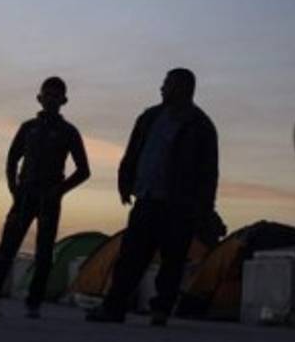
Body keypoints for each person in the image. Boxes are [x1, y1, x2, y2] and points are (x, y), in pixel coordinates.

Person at [85, 68, 218, 326]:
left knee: (173, 259)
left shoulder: (201, 126)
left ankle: (161, 310)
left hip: (179, 205)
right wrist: (125, 181)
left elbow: (209, 171)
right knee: (130, 256)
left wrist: (204, 209)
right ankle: (114, 307)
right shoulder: (150, 117)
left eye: (167, 84)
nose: (162, 88)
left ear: (184, 88)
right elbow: (133, 150)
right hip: (146, 198)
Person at [0, 77, 91, 318]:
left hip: (49, 200)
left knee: (44, 254)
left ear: (64, 100)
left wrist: (59, 190)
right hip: (24, 196)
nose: (51, 99)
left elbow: (84, 171)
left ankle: (33, 304)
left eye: (56, 96)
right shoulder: (28, 128)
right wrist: (13, 187)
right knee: (6, 250)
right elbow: (12, 159)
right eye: (47, 95)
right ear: (40, 98)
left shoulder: (68, 132)